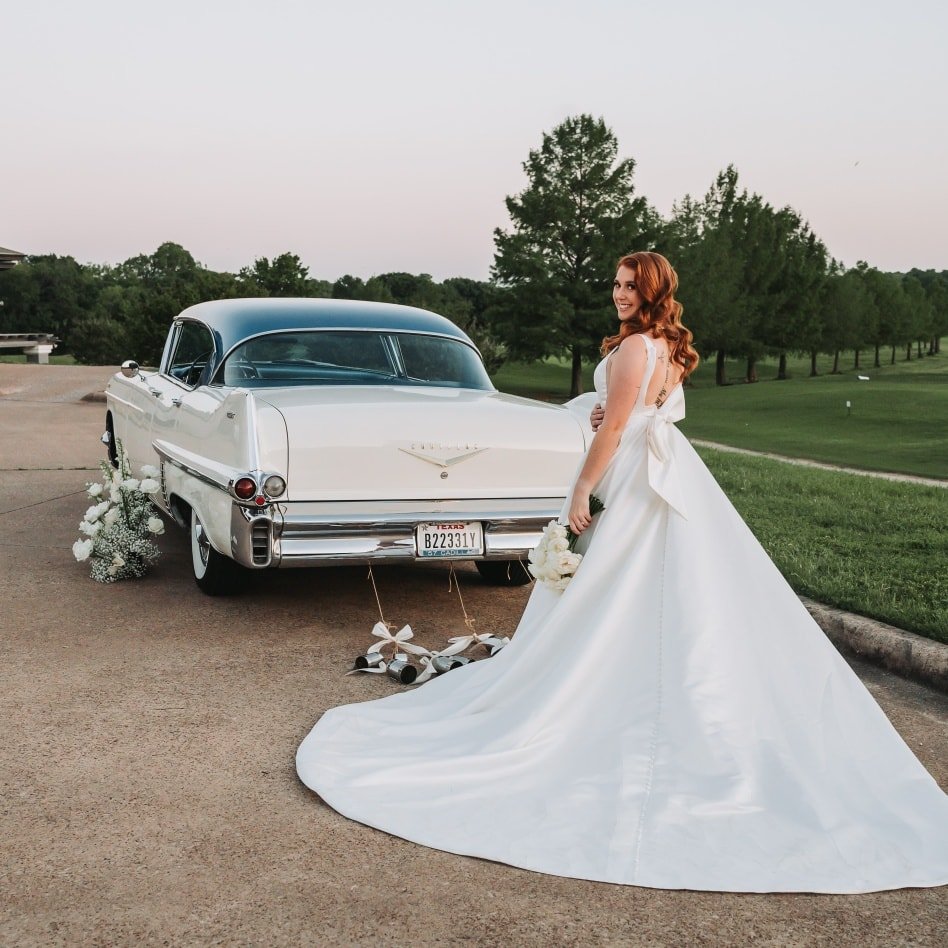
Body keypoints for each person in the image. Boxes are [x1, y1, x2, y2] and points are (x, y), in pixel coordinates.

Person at [297, 252, 948, 893]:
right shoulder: (664, 347)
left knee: (617, 583)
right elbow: (633, 414)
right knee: (647, 589)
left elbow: (615, 434)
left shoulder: (638, 349)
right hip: (657, 468)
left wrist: (582, 488)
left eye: (630, 285)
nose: (618, 293)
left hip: (631, 477)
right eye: (615, 283)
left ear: (653, 290)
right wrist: (607, 413)